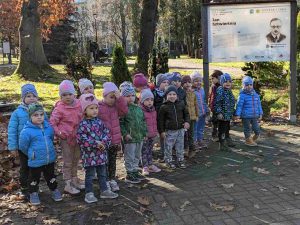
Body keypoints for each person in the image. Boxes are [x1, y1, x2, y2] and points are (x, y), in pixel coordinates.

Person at [77, 94, 118, 203]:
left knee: (102, 173)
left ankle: (104, 190)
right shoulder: (83, 124)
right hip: (90, 155)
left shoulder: (99, 122)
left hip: (101, 154)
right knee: (90, 175)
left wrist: (104, 142)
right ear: (84, 110)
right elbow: (82, 139)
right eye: (91, 108)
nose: (95, 110)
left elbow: (107, 133)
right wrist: (95, 143)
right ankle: (89, 193)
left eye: (96, 108)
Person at [19, 103, 62, 205]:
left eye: (41, 114)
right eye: (35, 115)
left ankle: (54, 190)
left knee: (51, 176)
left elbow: (51, 139)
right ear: (30, 117)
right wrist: (31, 153)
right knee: (34, 178)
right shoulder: (26, 131)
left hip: (49, 159)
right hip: (35, 160)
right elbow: (23, 146)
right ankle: (33, 192)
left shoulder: (48, 128)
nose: (39, 117)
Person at [50, 80, 84, 195]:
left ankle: (74, 179)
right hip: (66, 139)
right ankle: (68, 184)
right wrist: (59, 133)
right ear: (60, 96)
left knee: (76, 159)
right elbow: (52, 122)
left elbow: (83, 116)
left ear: (74, 94)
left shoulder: (79, 104)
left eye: (70, 94)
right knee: (68, 161)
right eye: (64, 95)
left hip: (78, 137)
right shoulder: (59, 108)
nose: (67, 97)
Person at [8, 84, 40, 198]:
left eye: (34, 96)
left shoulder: (40, 111)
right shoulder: (18, 113)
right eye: (28, 96)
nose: (31, 98)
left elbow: (46, 125)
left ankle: (34, 187)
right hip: (23, 147)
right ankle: (24, 188)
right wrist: (13, 147)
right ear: (23, 98)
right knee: (25, 167)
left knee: (36, 167)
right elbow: (12, 130)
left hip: (36, 145)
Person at [98, 82, 128, 191]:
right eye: (111, 97)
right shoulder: (99, 107)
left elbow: (124, 111)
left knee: (112, 161)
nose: (113, 100)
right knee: (104, 162)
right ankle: (105, 180)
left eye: (115, 98)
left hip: (114, 141)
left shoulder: (116, 106)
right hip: (104, 141)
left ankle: (112, 179)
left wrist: (119, 98)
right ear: (104, 96)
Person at [120, 82, 147, 184]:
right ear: (123, 97)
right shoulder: (124, 110)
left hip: (139, 137)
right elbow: (121, 123)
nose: (130, 98)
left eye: (132, 95)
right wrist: (125, 134)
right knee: (129, 156)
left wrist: (144, 133)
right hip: (130, 138)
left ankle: (135, 170)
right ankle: (129, 173)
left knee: (137, 155)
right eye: (127, 96)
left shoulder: (138, 108)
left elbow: (143, 121)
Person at [158, 85, 190, 169]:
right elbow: (160, 120)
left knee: (180, 146)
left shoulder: (181, 103)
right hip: (169, 131)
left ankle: (180, 159)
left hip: (180, 130)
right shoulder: (163, 107)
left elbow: (186, 114)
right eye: (170, 94)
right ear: (166, 96)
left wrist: (187, 122)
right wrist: (161, 131)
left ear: (177, 95)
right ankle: (168, 160)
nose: (172, 96)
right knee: (168, 146)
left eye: (174, 94)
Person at [235, 76, 263, 146]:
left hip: (254, 115)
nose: (249, 86)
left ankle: (252, 139)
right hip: (245, 116)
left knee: (256, 129)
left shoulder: (256, 95)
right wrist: (237, 114)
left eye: (251, 85)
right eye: (247, 85)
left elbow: (259, 105)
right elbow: (239, 106)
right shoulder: (242, 96)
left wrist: (260, 113)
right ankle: (248, 140)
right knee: (247, 128)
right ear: (243, 85)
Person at [139, 89, 161, 175]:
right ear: (142, 101)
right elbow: (140, 124)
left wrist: (156, 132)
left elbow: (154, 122)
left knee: (150, 150)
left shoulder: (153, 110)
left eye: (151, 100)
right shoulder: (140, 110)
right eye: (147, 100)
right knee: (144, 151)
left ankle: (150, 164)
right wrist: (143, 134)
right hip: (145, 135)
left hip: (152, 135)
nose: (150, 102)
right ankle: (145, 166)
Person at [215, 73, 236, 151]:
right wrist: (219, 112)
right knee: (222, 129)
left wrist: (233, 112)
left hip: (228, 114)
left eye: (229, 81)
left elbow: (232, 101)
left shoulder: (229, 91)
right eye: (225, 81)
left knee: (227, 128)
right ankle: (222, 143)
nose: (228, 83)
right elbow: (217, 103)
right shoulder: (220, 90)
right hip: (223, 115)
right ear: (221, 82)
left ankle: (227, 139)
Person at [153, 73, 169, 161]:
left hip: (166, 118)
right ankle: (161, 153)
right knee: (160, 135)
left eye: (167, 82)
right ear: (159, 83)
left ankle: (166, 153)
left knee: (166, 136)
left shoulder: (168, 93)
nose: (166, 84)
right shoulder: (154, 93)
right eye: (164, 82)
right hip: (157, 118)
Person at [190, 71, 209, 149]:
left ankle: (200, 140)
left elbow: (204, 101)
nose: (198, 82)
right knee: (194, 128)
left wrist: (206, 110)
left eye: (200, 81)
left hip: (202, 112)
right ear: (192, 82)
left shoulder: (202, 90)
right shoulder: (191, 91)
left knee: (201, 128)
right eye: (196, 81)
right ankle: (194, 142)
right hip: (195, 114)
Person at [182, 75, 199, 158]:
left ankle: (192, 149)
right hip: (185, 118)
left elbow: (196, 105)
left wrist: (197, 115)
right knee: (185, 134)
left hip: (192, 117)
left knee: (191, 134)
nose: (187, 84)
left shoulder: (193, 93)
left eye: (189, 82)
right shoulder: (182, 93)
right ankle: (185, 149)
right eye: (185, 82)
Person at [208, 70, 223, 142]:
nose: (212, 80)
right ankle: (214, 136)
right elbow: (211, 97)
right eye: (211, 79)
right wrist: (211, 107)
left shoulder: (222, 86)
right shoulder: (213, 86)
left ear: (218, 78)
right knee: (215, 122)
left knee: (220, 122)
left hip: (220, 107)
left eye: (213, 78)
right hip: (214, 107)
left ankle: (220, 135)